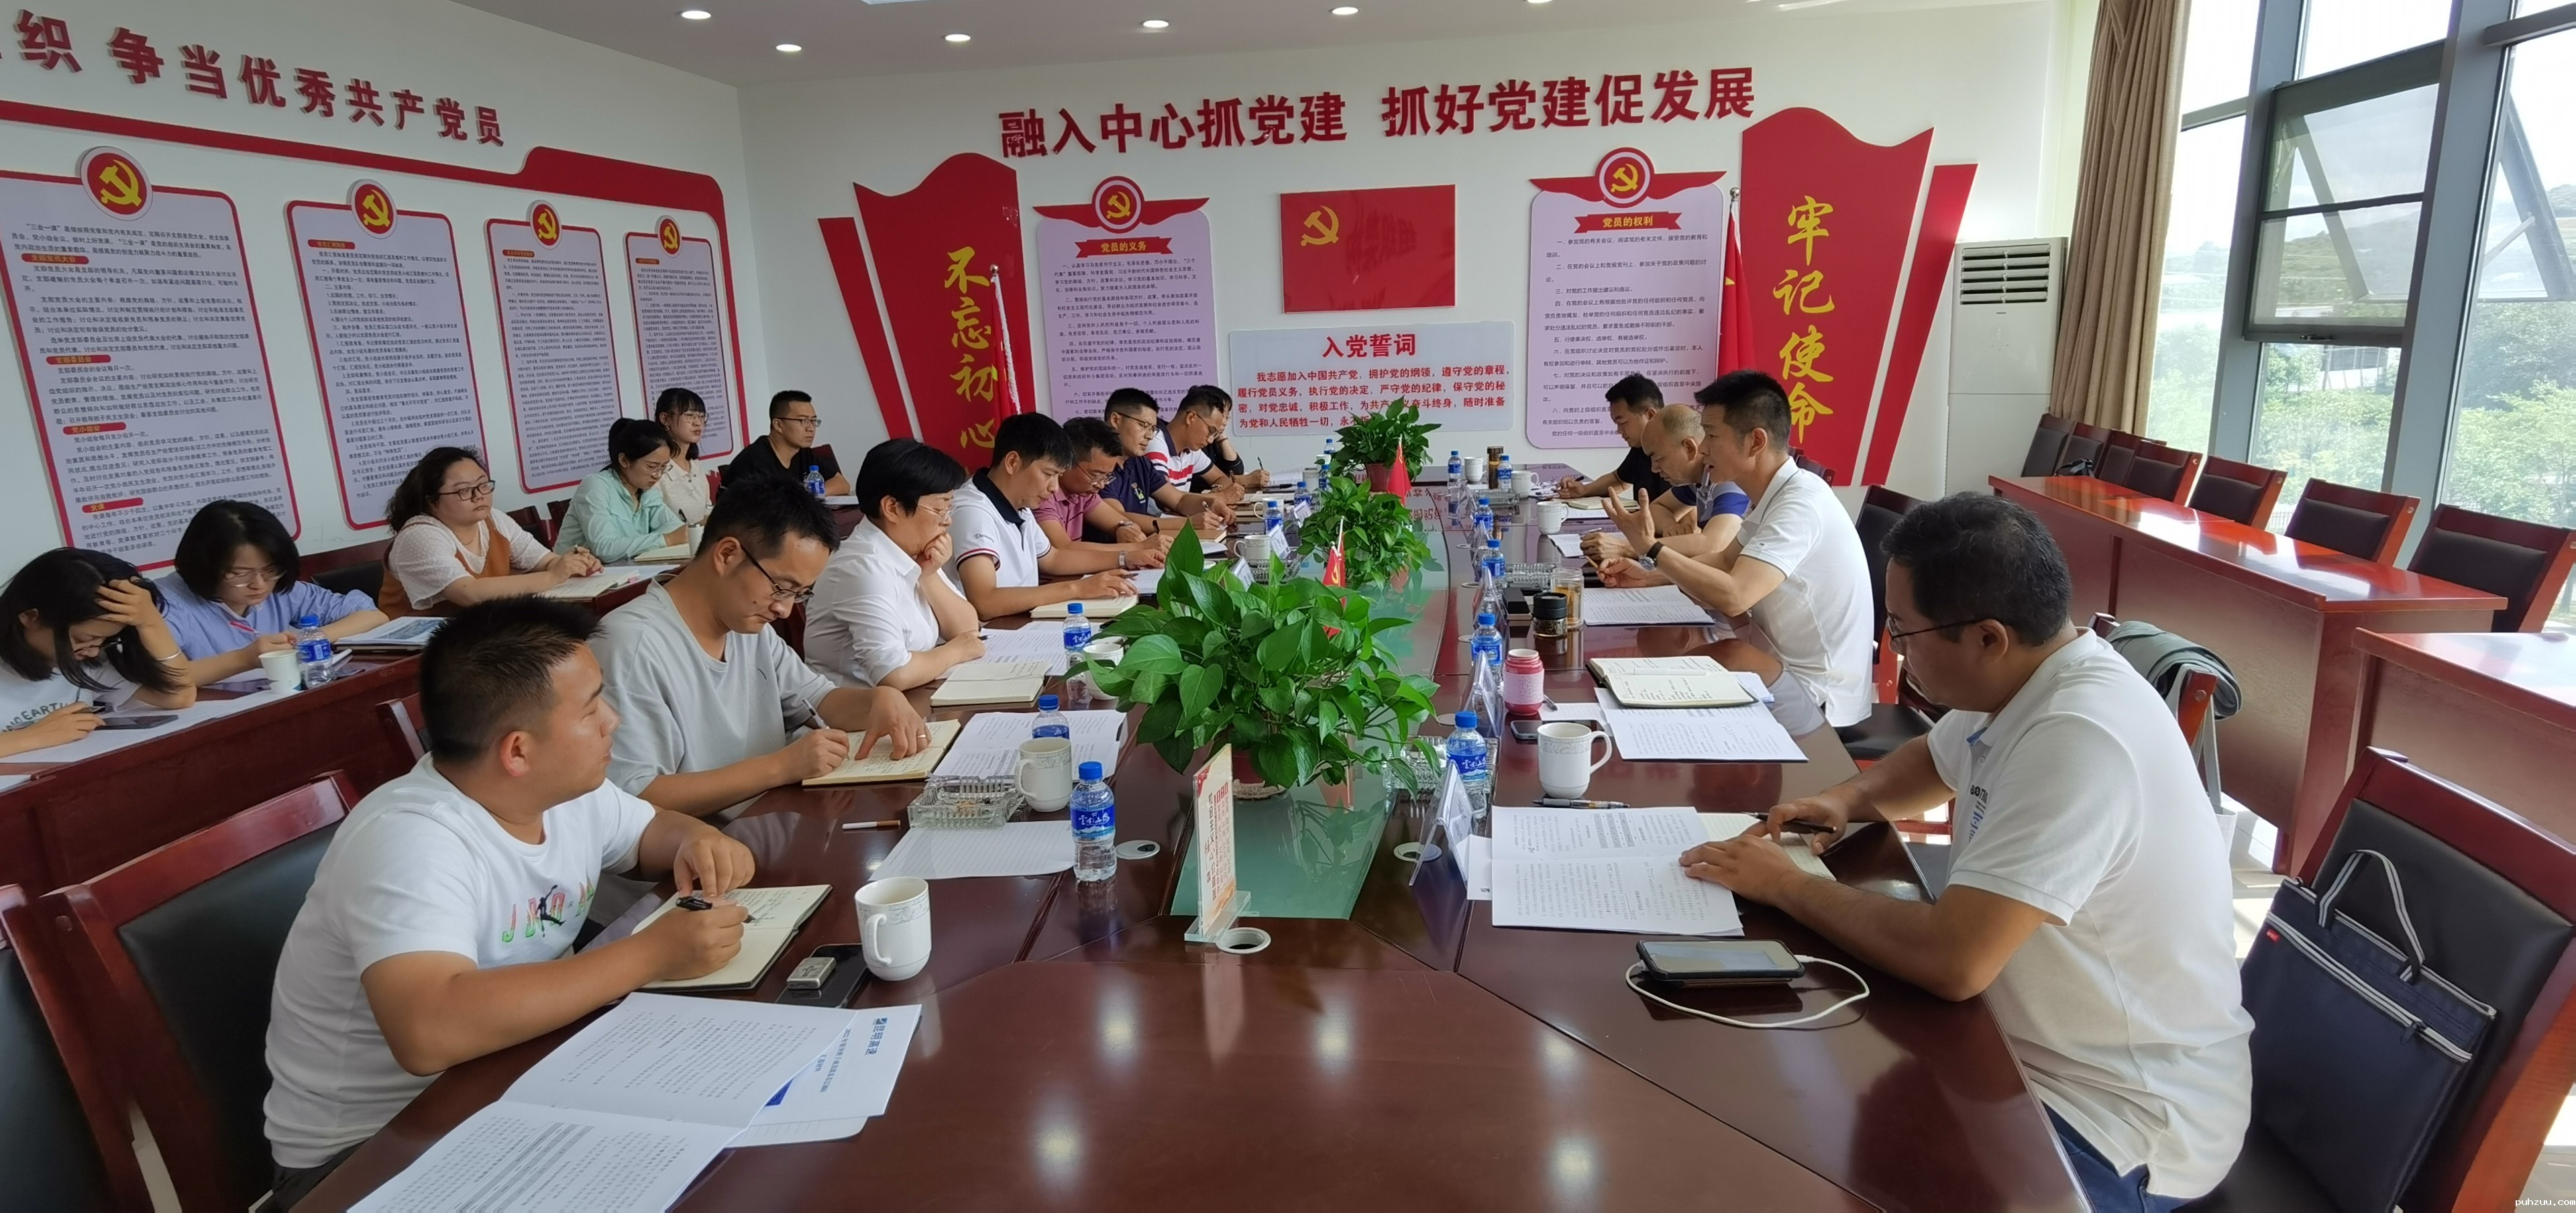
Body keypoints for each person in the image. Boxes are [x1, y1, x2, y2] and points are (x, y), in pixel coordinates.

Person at [1678, 494, 2251, 1211]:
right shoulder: (2030, 679)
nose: (1895, 649)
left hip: (2110, 1116)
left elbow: (1955, 959)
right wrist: (1845, 801)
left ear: (1987, 638)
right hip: (2010, 1045)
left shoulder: (2080, 735)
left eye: (1903, 629)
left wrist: (1786, 884)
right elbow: (1935, 758)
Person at [260, 598, 757, 1210]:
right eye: (592, 708)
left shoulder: (566, 790)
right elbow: (428, 1031)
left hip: (513, 1079)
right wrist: (650, 956)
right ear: (517, 751)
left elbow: (652, 832)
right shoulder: (411, 837)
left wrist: (698, 842)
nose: (614, 720)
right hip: (369, 1152)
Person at [592, 475, 929, 821]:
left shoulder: (748, 624)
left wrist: (879, 701)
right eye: (781, 587)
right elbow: (636, 796)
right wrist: (780, 767)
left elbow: (818, 700)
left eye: (799, 594)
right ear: (727, 554)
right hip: (702, 845)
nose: (784, 609)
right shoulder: (631, 646)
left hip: (768, 821)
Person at [1593, 372, 1872, 737]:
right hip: (1772, 656)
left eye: (1711, 436)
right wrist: (1647, 573)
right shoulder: (1772, 495)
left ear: (1755, 441)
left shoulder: (1801, 503)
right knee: (1697, 659)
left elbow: (1735, 595)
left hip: (1819, 695)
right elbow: (1725, 561)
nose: (1703, 448)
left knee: (1718, 658)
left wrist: (1652, 549)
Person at [804, 439, 986, 690]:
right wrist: (954, 652)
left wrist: (929, 575)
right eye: (940, 509)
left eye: (949, 508)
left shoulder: (910, 551)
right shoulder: (861, 567)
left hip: (912, 697)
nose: (948, 521)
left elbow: (968, 631)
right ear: (892, 508)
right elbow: (893, 673)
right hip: (860, 709)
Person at [159, 500, 388, 686]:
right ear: (204, 565)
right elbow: (159, 679)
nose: (259, 584)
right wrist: (245, 659)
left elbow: (372, 615)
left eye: (270, 570)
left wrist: (310, 639)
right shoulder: (168, 605)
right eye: (239, 574)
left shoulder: (278, 589)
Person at [0, 548, 198, 758]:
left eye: (105, 640)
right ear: (31, 617)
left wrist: (151, 623)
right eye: (82, 639)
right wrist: (33, 737)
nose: (93, 652)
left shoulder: (86, 663)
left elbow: (179, 696)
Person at [949, 413, 1138, 620]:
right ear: (1012, 462)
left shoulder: (1019, 505)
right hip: (991, 631)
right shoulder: (973, 511)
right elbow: (985, 602)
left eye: (1058, 476)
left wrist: (1124, 559)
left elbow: (1053, 559)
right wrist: (1077, 588)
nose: (1054, 487)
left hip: (1020, 622)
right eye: (1048, 474)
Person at [380, 447, 602, 617]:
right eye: (464, 491)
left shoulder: (493, 519)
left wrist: (573, 564)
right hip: (418, 650)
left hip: (482, 630)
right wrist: (553, 576)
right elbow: (468, 593)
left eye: (483, 485)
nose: (479, 496)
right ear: (432, 502)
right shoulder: (419, 534)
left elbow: (545, 561)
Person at [1577, 403, 1749, 558]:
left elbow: (1714, 545)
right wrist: (1669, 526)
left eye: (1659, 459)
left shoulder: (1729, 481)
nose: (1654, 469)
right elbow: (1658, 507)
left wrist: (1629, 548)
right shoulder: (1699, 480)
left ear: (1690, 449)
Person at [1036, 418, 1169, 571]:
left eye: (1107, 477)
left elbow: (1122, 521)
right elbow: (1064, 548)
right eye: (1096, 475)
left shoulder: (1084, 494)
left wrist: (1123, 527)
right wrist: (1138, 548)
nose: (1100, 485)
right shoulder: (1043, 495)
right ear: (1067, 462)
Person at [1098, 389, 1224, 543]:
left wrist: (1213, 504)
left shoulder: (1140, 462)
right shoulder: (1098, 465)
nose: (1149, 436)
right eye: (1143, 425)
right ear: (1115, 420)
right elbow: (1119, 517)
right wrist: (1187, 523)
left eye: (1152, 429)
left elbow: (1179, 500)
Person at [555, 419, 689, 563]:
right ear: (624, 460)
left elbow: (677, 529)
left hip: (628, 569)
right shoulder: (596, 486)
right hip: (578, 573)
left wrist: (664, 538)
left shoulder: (647, 490)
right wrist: (666, 539)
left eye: (663, 467)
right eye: (651, 467)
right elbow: (605, 549)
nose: (658, 475)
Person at [1556, 374, 1678, 505]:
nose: (1619, 431)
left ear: (1650, 415)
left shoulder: (1676, 454)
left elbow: (1676, 511)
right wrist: (1584, 490)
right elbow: (1619, 480)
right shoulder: (1641, 446)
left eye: (1622, 422)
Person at [1146, 386, 1248, 514]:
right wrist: (1219, 496)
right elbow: (1168, 502)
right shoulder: (1155, 443)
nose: (1211, 440)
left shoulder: (1191, 451)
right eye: (1211, 431)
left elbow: (1222, 478)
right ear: (1191, 418)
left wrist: (1218, 489)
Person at [726, 390, 847, 496]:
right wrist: (802, 496)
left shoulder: (804, 453)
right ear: (778, 425)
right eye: (803, 421)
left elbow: (842, 484)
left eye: (813, 421)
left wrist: (810, 494)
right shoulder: (754, 461)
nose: (811, 428)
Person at [653, 388, 714, 525]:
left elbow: (707, 509)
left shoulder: (695, 465)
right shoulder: (656, 468)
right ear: (665, 419)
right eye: (690, 415)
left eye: (702, 416)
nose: (698, 423)